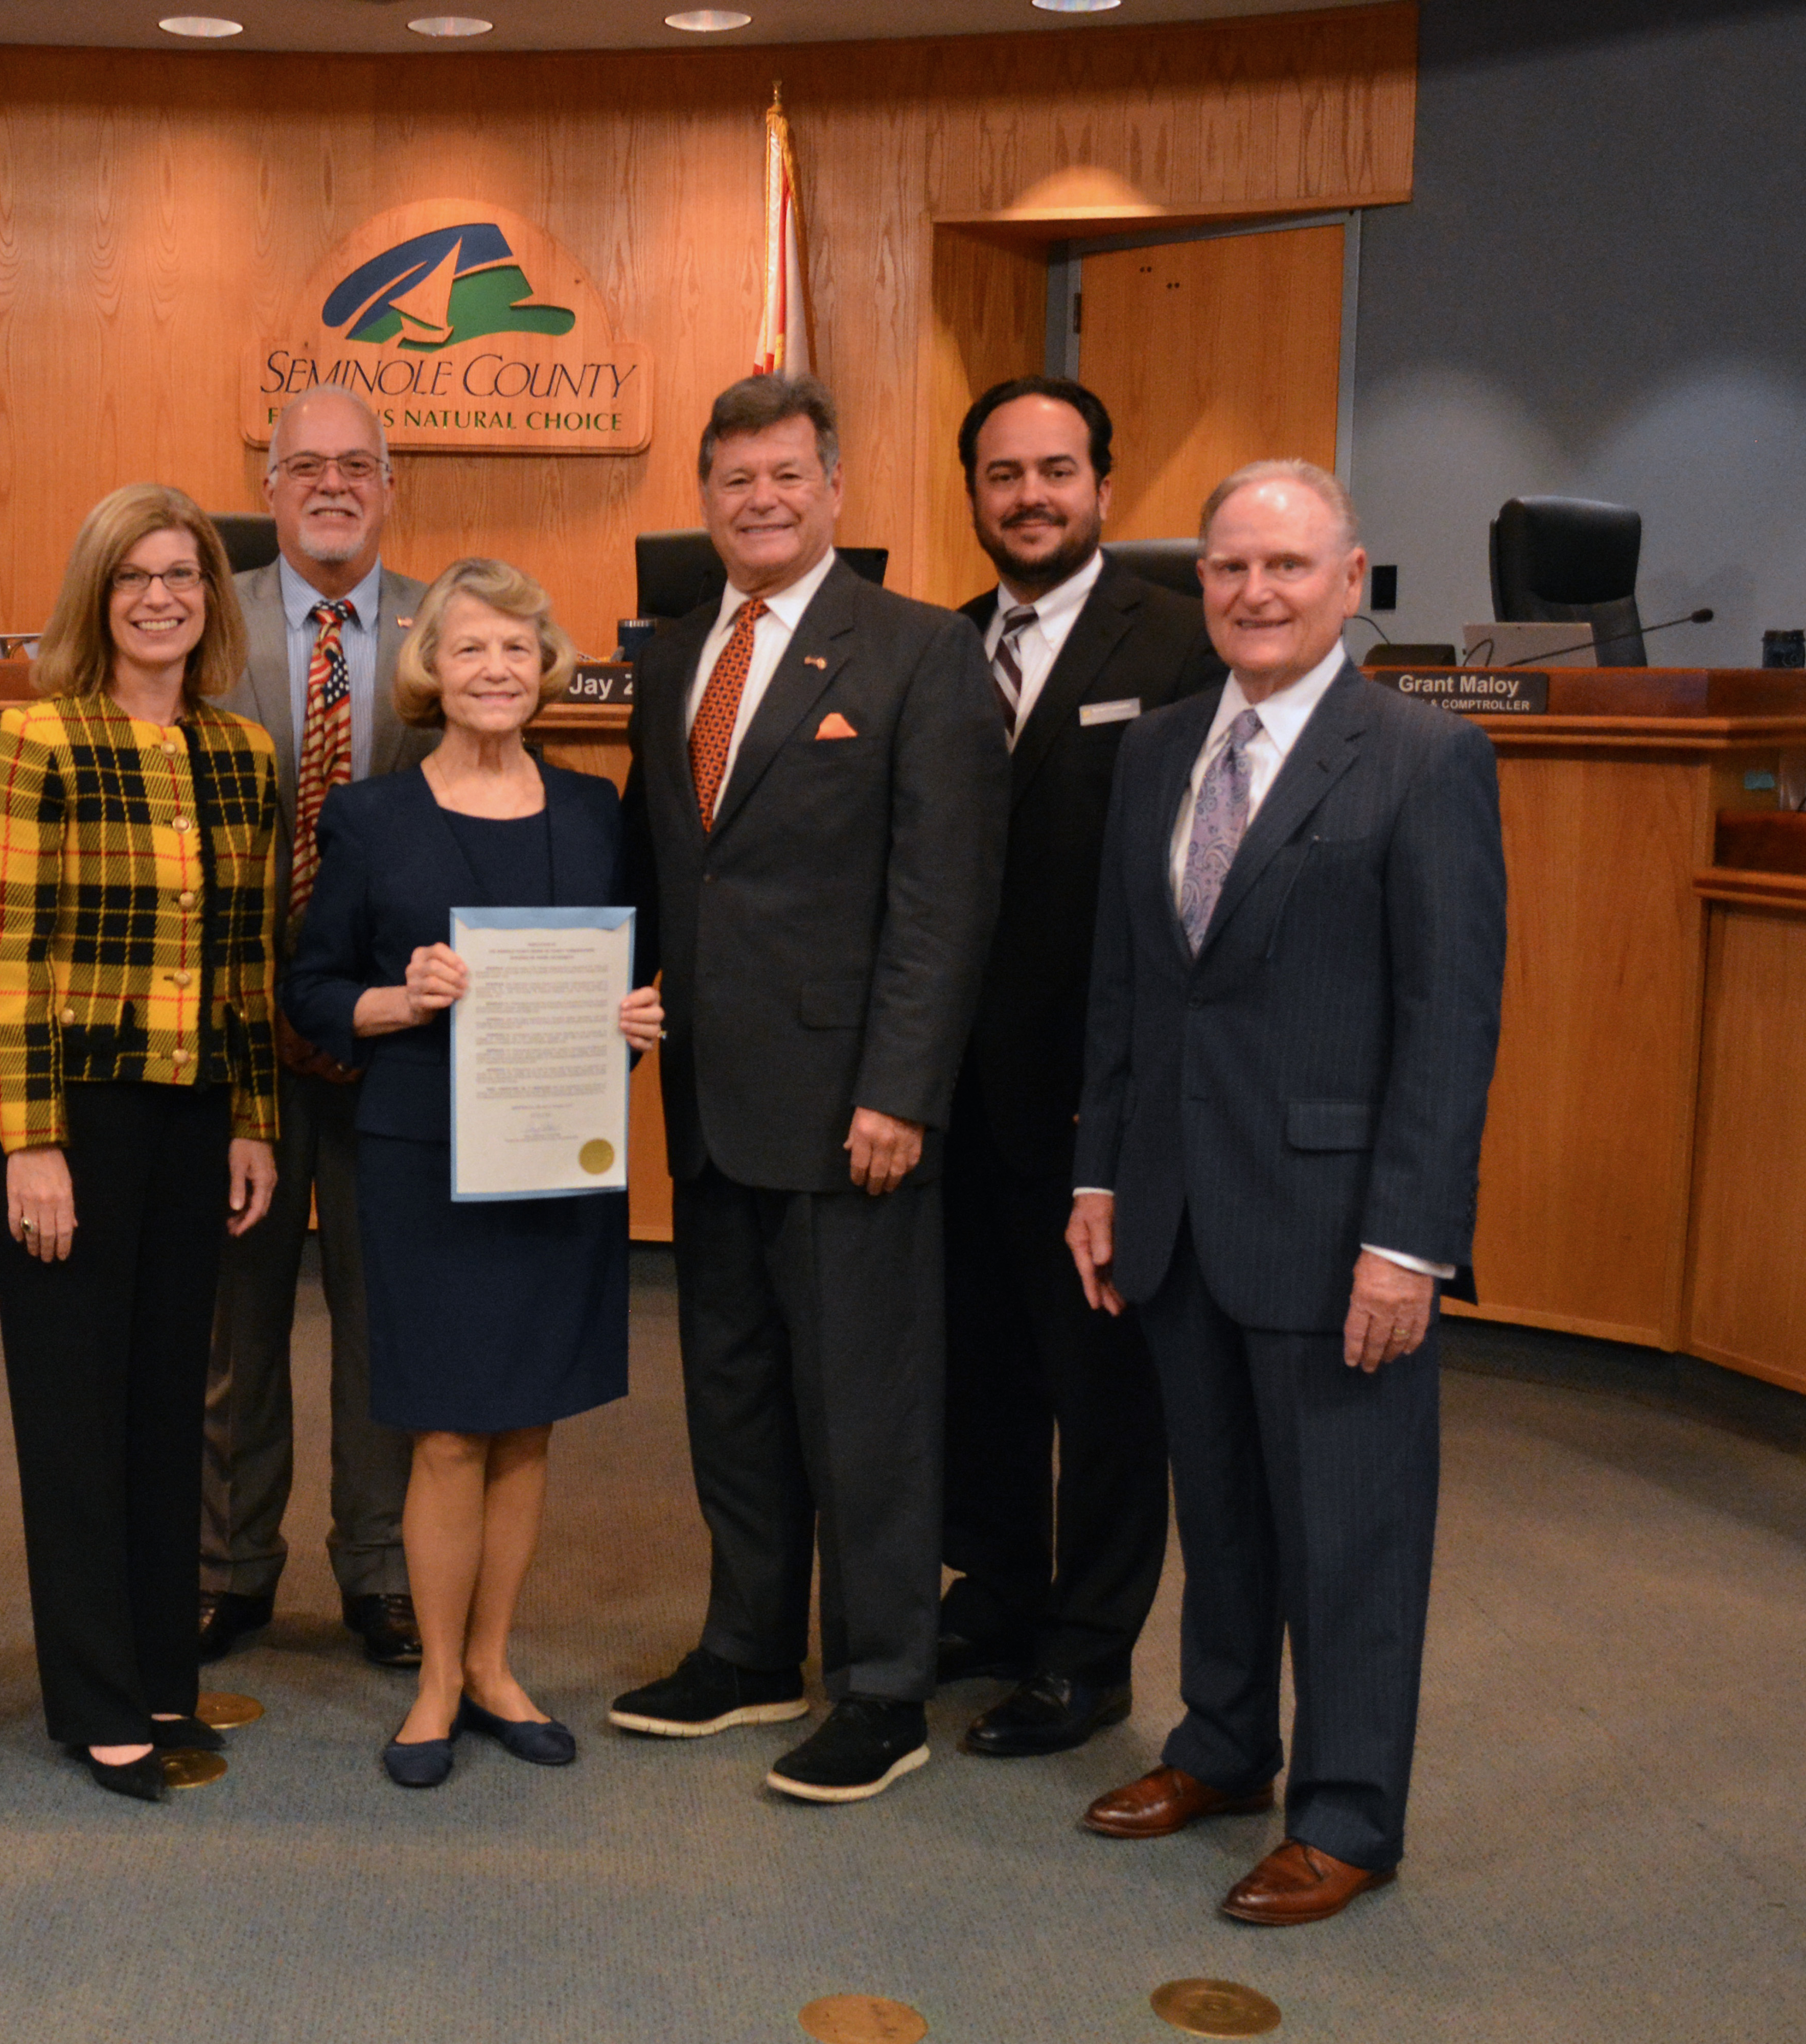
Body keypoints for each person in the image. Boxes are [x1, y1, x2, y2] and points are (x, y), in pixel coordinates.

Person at [1067, 459, 1504, 1926]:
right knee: (1227, 1513)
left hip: (1337, 1233)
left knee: (1354, 1534)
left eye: (1288, 568)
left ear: (1350, 576)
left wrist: (1409, 1245)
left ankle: (1351, 1813)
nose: (1256, 593)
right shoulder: (1163, 745)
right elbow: (1130, 987)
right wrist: (1099, 1176)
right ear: (1201, 581)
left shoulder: (1421, 760)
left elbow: (1451, 1022)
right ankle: (1224, 1748)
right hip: (1181, 1211)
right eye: (1229, 568)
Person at [612, 372, 1009, 1804]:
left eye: (787, 475)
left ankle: (885, 1682)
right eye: (735, 480)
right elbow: (675, 874)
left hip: (856, 1115)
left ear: (835, 488)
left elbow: (944, 900)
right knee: (734, 1395)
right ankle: (747, 1648)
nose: (761, 500)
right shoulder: (671, 658)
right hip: (710, 1109)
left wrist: (901, 1091)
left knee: (869, 1410)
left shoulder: (916, 654)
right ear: (708, 500)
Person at [281, 559, 663, 1788]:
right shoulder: (371, 817)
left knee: (528, 1426)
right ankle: (438, 1681)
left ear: (546, 667)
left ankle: (499, 1662)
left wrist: (637, 1017)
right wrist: (400, 997)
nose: (496, 671)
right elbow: (312, 990)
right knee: (448, 1430)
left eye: (517, 649)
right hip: (425, 1159)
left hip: (559, 1153)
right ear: (430, 670)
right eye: (471, 650)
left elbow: (623, 974)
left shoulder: (599, 810)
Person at [0, 484, 285, 1803]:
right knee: (75, 1417)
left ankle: (164, 1675)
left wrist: (256, 1120)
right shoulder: (41, 736)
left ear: (212, 599)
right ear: (96, 600)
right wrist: (29, 1144)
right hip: (75, 1120)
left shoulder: (245, 755)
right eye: (135, 578)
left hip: (196, 1113)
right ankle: (97, 1697)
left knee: (170, 1409)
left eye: (186, 576)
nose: (162, 597)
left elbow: (251, 960)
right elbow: (1, 957)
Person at [938, 377, 1225, 1759]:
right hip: (951, 1098)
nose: (1030, 496)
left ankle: (1089, 1648)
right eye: (1004, 475)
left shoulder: (1180, 647)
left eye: (1056, 470)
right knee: (979, 1369)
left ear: (1103, 485)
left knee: (1103, 1389)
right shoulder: (940, 647)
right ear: (976, 494)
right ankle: (994, 1595)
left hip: (1096, 1099)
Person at [202, 386, 433, 1674]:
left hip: (396, 1030)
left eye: (358, 466)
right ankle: (228, 1566)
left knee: (378, 1309)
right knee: (234, 1314)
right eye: (307, 466)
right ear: (271, 480)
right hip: (236, 1026)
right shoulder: (198, 612)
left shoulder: (441, 623)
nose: (333, 485)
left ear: (388, 486)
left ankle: (381, 1568)